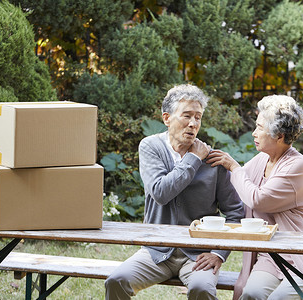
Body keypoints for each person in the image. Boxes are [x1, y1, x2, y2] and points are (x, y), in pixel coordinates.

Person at [105, 84, 245, 300]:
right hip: (156, 252)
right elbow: (160, 192)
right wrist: (193, 159)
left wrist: (218, 254)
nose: (193, 123)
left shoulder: (212, 161)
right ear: (167, 118)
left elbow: (236, 212)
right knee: (116, 281)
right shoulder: (151, 147)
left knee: (202, 289)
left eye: (198, 117)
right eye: (187, 116)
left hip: (198, 255)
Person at [207, 95, 303, 300]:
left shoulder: (298, 166)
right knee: (250, 294)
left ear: (279, 135)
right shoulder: (263, 158)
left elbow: (257, 199)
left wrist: (234, 167)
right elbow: (237, 184)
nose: (254, 133)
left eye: (260, 128)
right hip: (272, 255)